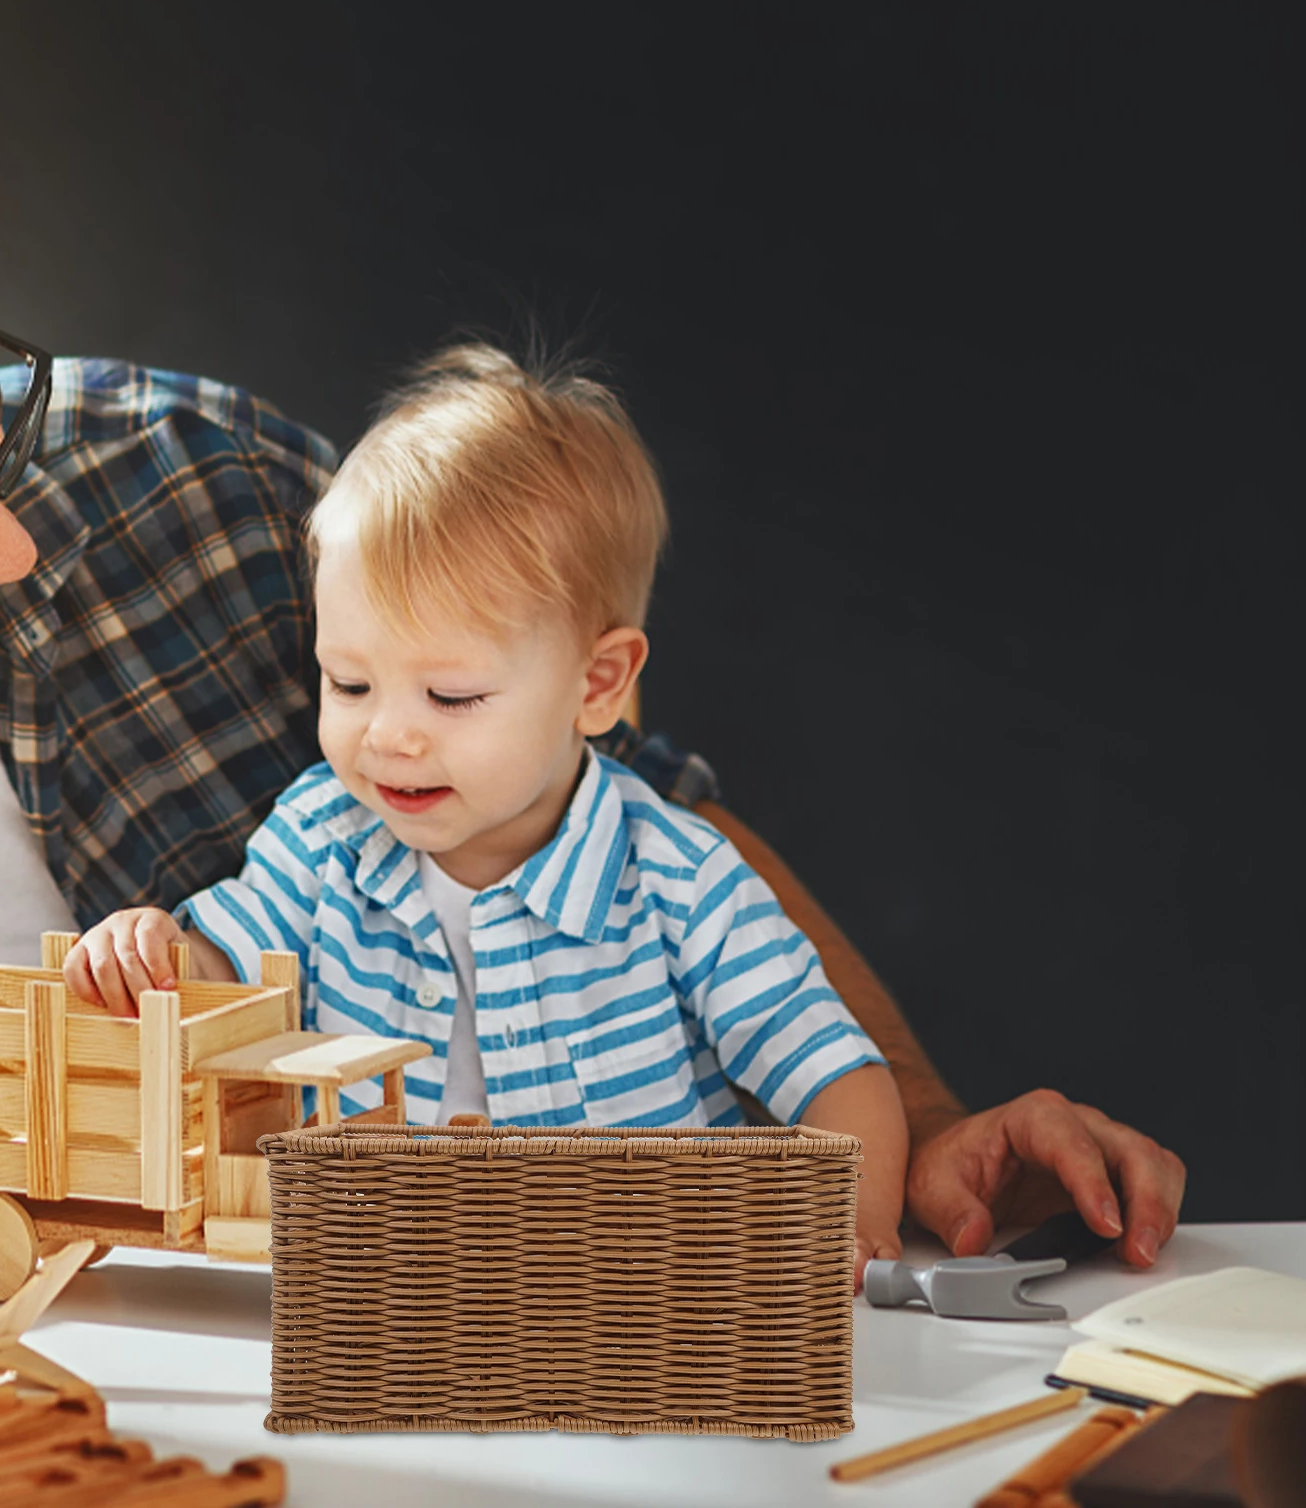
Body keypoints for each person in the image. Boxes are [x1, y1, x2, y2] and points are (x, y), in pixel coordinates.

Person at [0, 187, 1185, 1267]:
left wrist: (917, 1142)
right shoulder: (331, 835)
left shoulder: (179, 492)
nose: (24, 546)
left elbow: (629, 807)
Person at [64, 344, 912, 1282]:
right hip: (393, 1293)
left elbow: (838, 1078)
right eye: (348, 682)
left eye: (452, 697)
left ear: (597, 685)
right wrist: (153, 955)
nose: (388, 736)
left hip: (630, 1299)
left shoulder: (681, 878)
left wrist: (856, 1231)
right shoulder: (320, 837)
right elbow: (223, 973)